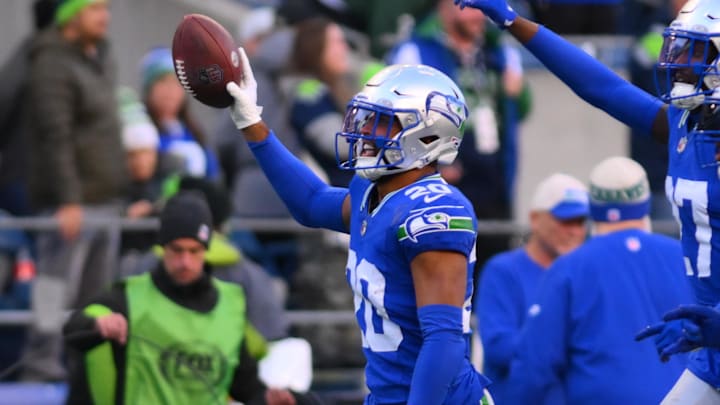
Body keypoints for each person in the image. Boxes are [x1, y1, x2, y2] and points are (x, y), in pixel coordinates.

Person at [454, 0, 720, 400]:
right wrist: (513, 21)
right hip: (709, 345)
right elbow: (601, 87)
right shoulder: (688, 123)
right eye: (679, 47)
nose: (678, 61)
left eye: (695, 51)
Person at [225, 47, 493, 402]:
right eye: (366, 118)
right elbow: (311, 203)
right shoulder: (373, 192)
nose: (365, 131)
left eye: (382, 121)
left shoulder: (434, 210)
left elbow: (443, 340)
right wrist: (252, 124)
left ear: (427, 136)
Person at [62, 192, 319, 405]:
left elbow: (246, 387)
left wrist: (273, 399)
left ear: (206, 250)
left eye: (194, 251)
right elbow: (74, 329)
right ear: (162, 247)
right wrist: (98, 326)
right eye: (177, 250)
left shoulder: (230, 304)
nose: (185, 261)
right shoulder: (128, 297)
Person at [505, 156, 693, 404]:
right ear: (645, 202)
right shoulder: (686, 258)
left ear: (593, 206)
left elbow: (536, 366)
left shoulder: (570, 267)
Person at [22, 0, 127, 382]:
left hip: (104, 201)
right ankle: (40, 366)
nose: (105, 16)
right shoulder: (52, 62)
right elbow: (56, 136)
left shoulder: (96, 57)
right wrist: (69, 199)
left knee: (94, 299)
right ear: (71, 15)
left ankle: (85, 371)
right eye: (95, 7)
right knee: (54, 287)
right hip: (72, 205)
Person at [387, 0, 532, 272]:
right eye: (472, 6)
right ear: (445, 5)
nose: (481, 15)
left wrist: (518, 93)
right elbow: (394, 116)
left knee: (492, 269)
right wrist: (432, 161)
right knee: (447, 271)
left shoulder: (498, 51)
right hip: (444, 181)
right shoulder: (415, 51)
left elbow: (521, 111)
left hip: (494, 178)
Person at [475, 172, 589, 403]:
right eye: (565, 220)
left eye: (580, 222)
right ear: (535, 219)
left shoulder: (588, 273)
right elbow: (499, 346)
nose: (574, 231)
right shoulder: (503, 271)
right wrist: (571, 351)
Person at [140, 46, 221, 181]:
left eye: (177, 83)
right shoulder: (140, 132)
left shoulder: (195, 134)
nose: (170, 90)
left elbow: (213, 178)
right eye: (163, 81)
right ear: (149, 88)